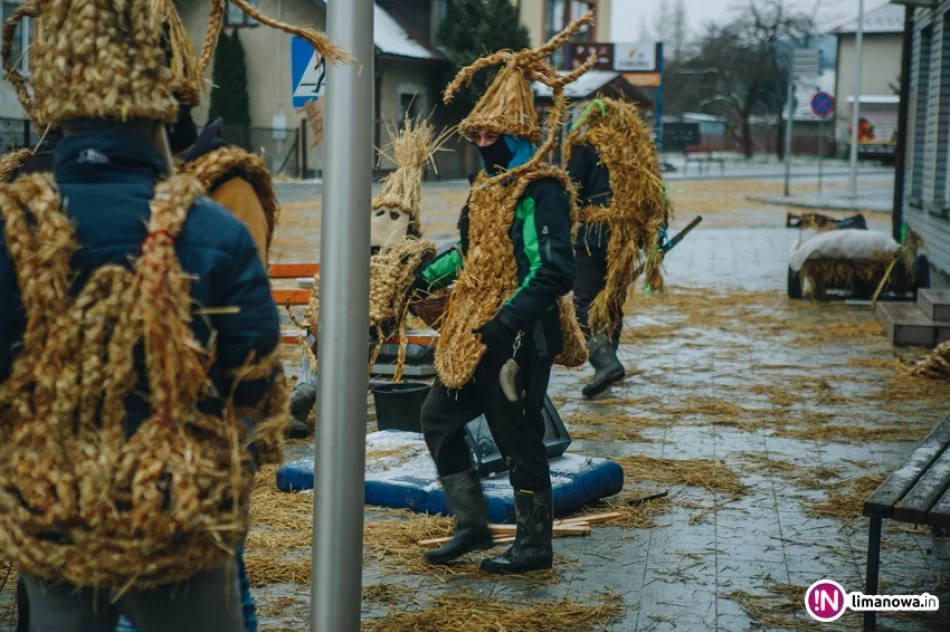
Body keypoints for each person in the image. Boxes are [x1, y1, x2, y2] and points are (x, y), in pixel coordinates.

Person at [0, 1, 346, 630]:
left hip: (52, 516)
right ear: (162, 103)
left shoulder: (13, 229)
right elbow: (255, 376)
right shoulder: (212, 229)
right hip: (179, 526)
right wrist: (212, 467)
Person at [408, 13, 596, 575]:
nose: (483, 143)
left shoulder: (543, 191)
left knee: (518, 437)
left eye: (492, 135)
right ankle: (470, 526)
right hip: (473, 331)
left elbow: (554, 271)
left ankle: (535, 545)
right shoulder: (484, 188)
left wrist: (506, 321)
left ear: (516, 135)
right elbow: (472, 253)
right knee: (438, 417)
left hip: (521, 340)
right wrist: (421, 276)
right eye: (478, 135)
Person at [566, 98, 669, 398]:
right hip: (626, 239)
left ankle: (604, 361)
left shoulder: (587, 147)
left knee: (584, 301)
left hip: (594, 236)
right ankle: (608, 365)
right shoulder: (638, 152)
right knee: (611, 301)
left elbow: (571, 190)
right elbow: (657, 195)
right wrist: (654, 240)